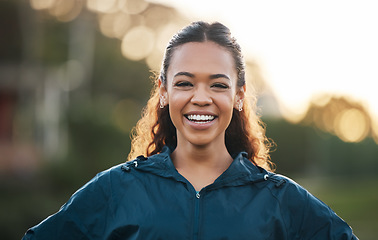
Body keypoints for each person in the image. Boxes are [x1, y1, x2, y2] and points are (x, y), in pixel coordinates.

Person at [22, 21, 358, 239]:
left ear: (238, 95)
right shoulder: (116, 190)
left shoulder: (282, 200)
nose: (201, 98)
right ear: (165, 91)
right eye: (184, 83)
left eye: (217, 85)